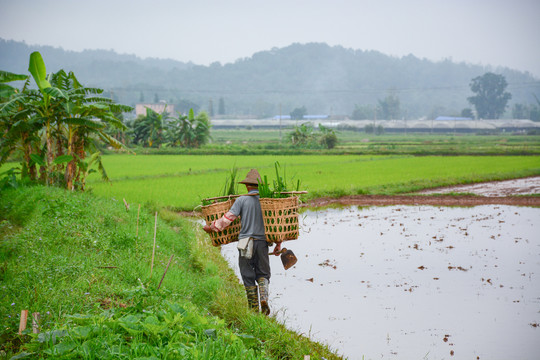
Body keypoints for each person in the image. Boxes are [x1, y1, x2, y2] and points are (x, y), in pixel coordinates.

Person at [203, 169, 281, 315]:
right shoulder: (267, 201)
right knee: (263, 273)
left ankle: (253, 310)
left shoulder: (241, 200)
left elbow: (227, 219)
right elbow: (275, 224)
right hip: (263, 242)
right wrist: (278, 244)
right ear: (260, 186)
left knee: (247, 274)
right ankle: (264, 297)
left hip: (245, 242)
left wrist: (211, 228)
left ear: (247, 186)